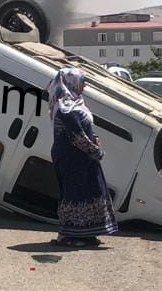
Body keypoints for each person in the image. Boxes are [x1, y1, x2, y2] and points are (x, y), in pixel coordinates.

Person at [48, 67, 118, 246]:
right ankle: (70, 235)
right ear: (72, 82)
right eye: (83, 81)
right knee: (75, 193)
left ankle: (88, 233)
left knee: (91, 191)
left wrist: (94, 139)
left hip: (83, 157)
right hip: (72, 157)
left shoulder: (76, 102)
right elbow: (76, 135)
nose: (85, 86)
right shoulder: (65, 106)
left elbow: (86, 128)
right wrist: (96, 151)